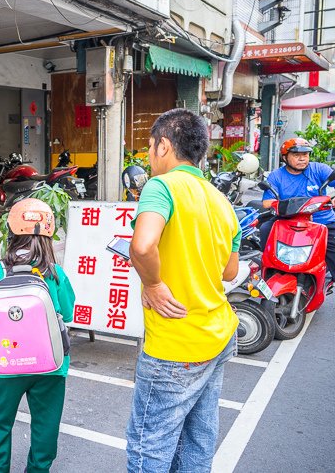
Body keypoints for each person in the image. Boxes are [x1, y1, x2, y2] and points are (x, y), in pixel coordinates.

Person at [126, 108, 241, 472]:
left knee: (150, 448)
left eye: (149, 147)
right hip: (218, 335)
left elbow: (143, 246)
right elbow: (229, 270)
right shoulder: (221, 201)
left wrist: (154, 283)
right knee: (198, 441)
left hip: (176, 345)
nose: (148, 155)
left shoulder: (161, 186)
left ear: (163, 145)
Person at [0, 198, 75, 473]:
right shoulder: (56, 274)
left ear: (11, 232)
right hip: (51, 366)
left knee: (0, 421)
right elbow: (68, 313)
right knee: (46, 426)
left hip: (9, 364)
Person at [261, 137, 335, 278]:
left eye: (305, 155)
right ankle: (270, 270)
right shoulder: (276, 176)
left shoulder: (319, 169)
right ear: (285, 157)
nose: (302, 159)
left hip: (323, 221)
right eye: (296, 155)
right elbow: (267, 202)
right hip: (288, 222)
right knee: (265, 229)